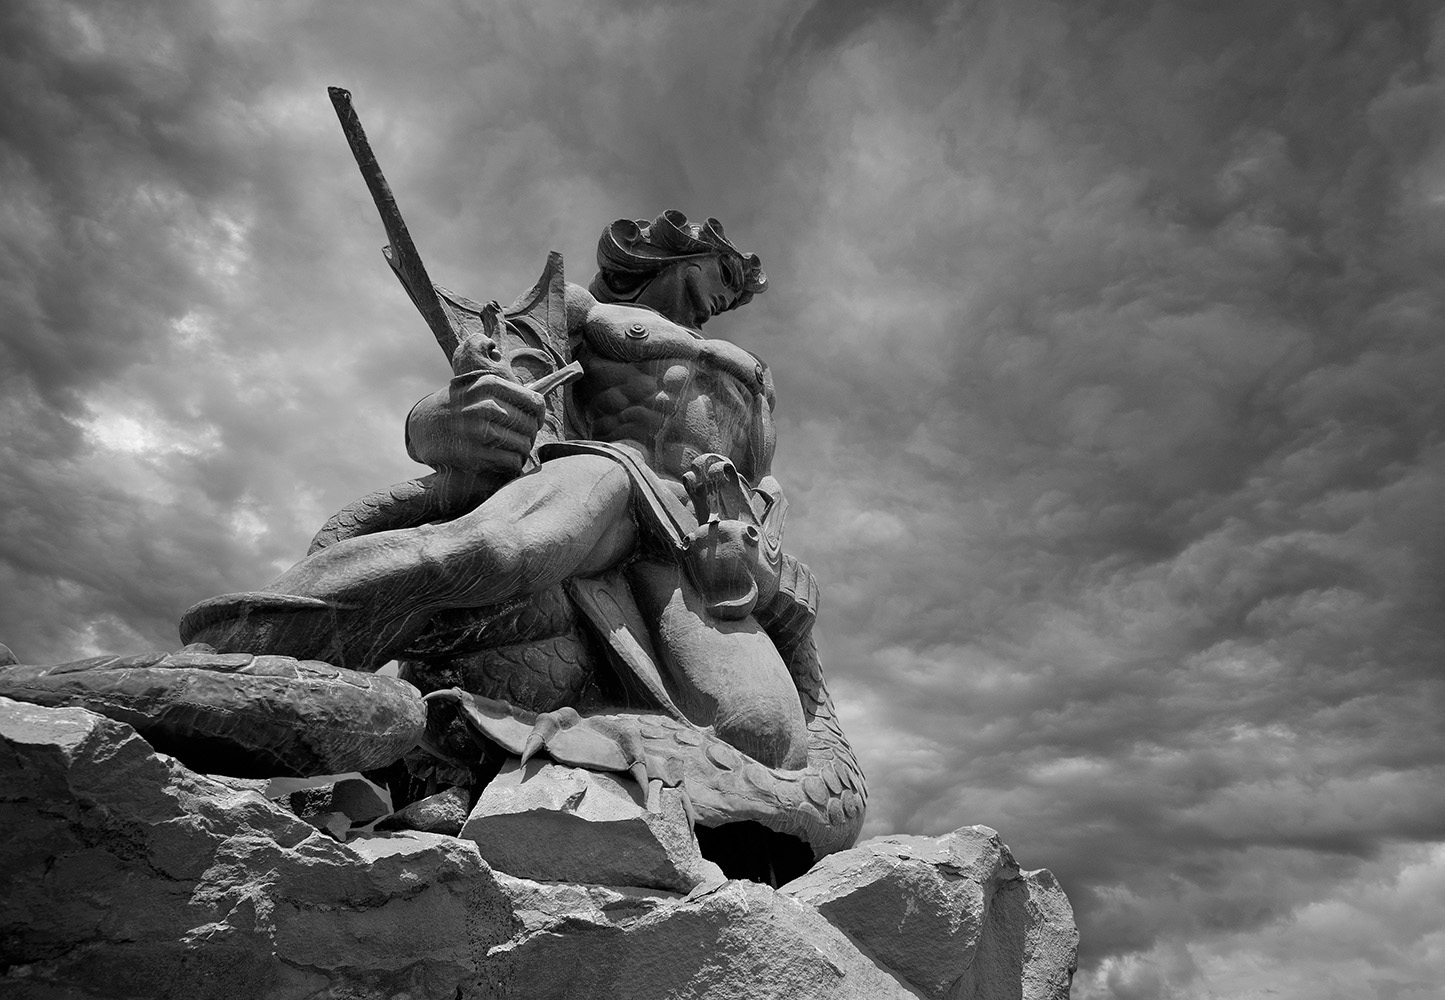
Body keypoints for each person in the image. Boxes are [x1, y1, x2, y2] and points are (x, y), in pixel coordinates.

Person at [186, 211, 810, 768]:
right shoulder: (587, 310)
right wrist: (451, 417)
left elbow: (763, 484)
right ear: (683, 255)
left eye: (736, 290)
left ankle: (566, 765)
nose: (727, 296)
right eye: (724, 275)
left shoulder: (754, 373)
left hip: (699, 538)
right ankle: (228, 652)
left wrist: (763, 558)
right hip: (612, 471)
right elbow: (486, 383)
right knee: (496, 549)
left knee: (761, 733)